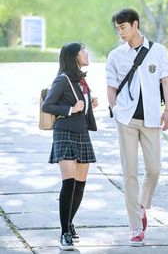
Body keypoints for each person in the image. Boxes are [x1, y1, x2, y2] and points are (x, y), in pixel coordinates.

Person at [106, 8, 168, 247]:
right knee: (130, 173)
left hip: (152, 119)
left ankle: (142, 206)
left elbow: (166, 81)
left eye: (123, 27)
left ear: (135, 25)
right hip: (126, 121)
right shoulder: (115, 55)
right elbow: (111, 87)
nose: (120, 33)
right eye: (117, 29)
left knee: (154, 169)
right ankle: (135, 227)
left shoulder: (158, 51)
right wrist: (117, 111)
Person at [42, 42, 98, 251]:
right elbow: (47, 105)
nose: (87, 53)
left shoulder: (81, 81)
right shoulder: (63, 79)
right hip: (64, 133)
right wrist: (70, 109)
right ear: (75, 56)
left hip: (82, 133)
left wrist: (89, 105)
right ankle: (64, 233)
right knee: (69, 182)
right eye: (84, 50)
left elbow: (81, 106)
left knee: (80, 184)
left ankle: (70, 222)